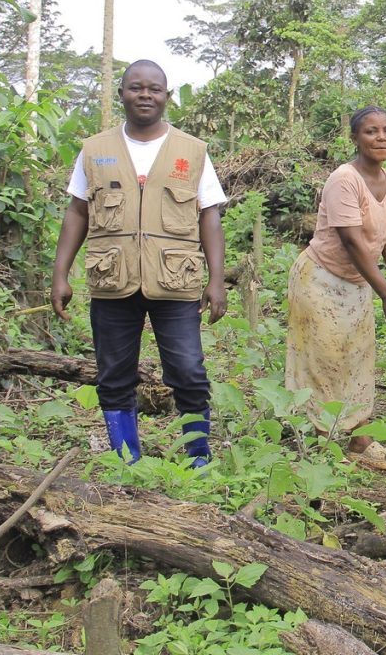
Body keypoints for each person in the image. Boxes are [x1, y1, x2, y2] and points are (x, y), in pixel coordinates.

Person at [51, 60, 227, 467]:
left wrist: (216, 280)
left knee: (188, 371)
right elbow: (77, 212)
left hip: (175, 280)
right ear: (122, 94)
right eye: (135, 87)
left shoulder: (192, 151)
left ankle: (198, 459)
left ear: (166, 96)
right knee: (113, 375)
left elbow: (209, 216)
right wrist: (60, 273)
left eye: (153, 89)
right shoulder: (95, 150)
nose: (144, 95)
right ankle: (126, 459)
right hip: (112, 280)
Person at [286, 106, 386, 470]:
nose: (381, 138)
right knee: (322, 359)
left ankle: (358, 436)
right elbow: (354, 242)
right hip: (321, 279)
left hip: (358, 283)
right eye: (371, 132)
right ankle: (318, 441)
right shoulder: (344, 179)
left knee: (357, 357)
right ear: (354, 138)